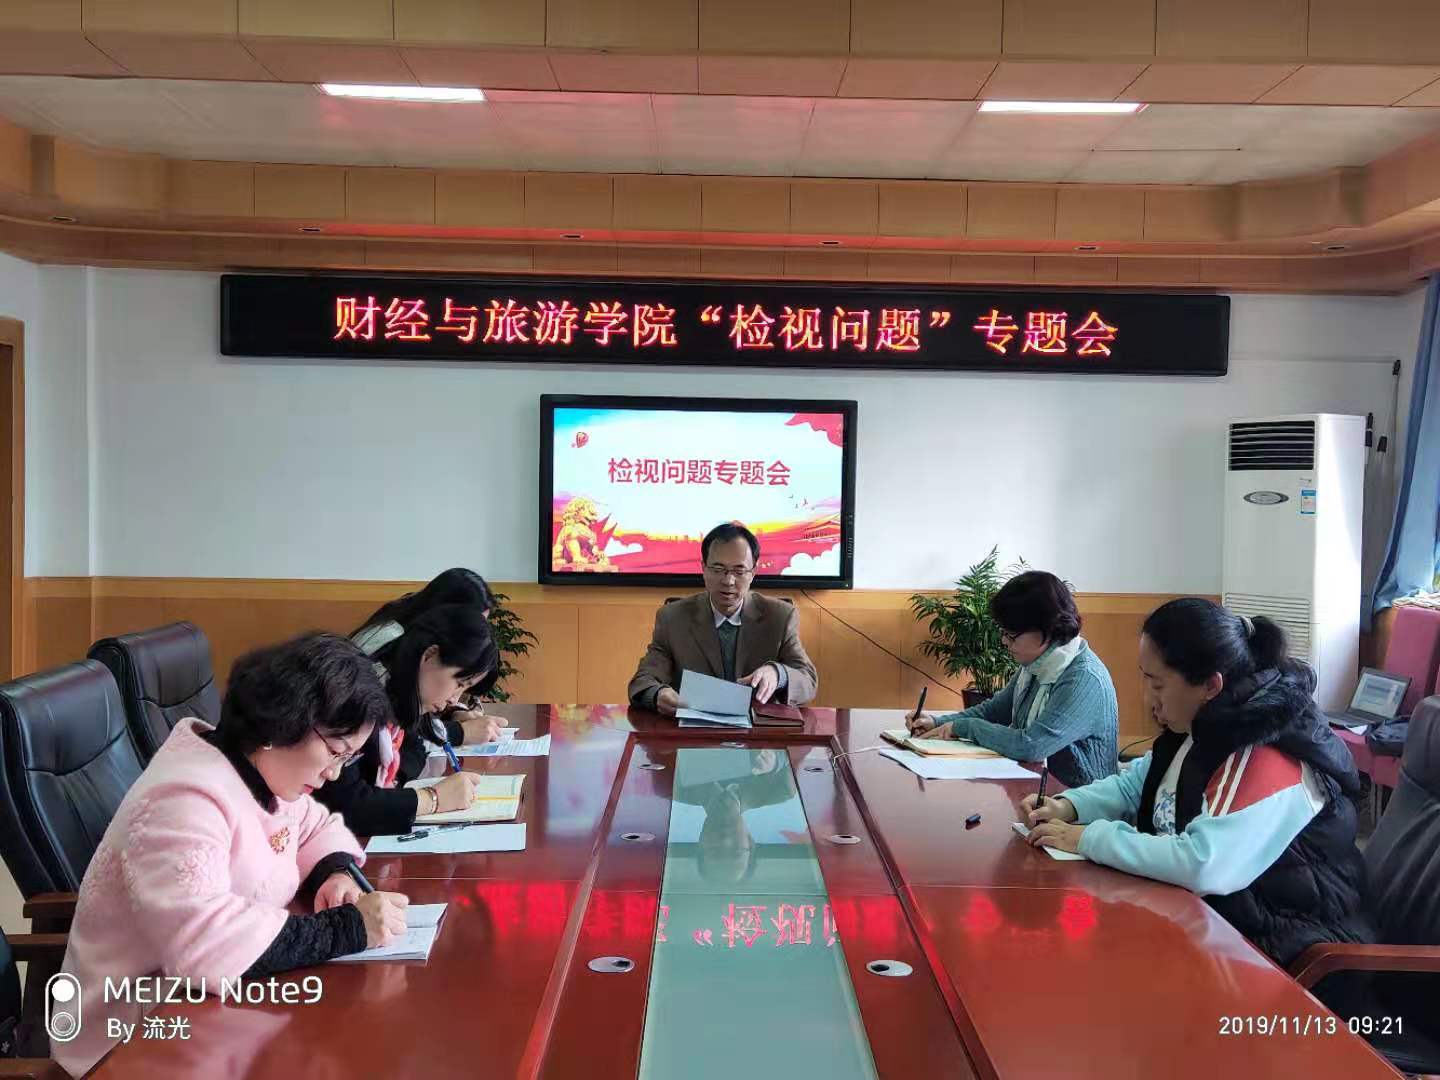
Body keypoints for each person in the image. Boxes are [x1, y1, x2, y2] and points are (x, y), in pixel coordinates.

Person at [55, 633, 411, 1078]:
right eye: (336, 752)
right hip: (133, 1038)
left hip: (218, 1011)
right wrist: (346, 929)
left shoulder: (262, 771)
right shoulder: (185, 798)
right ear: (286, 720)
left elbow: (316, 827)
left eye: (349, 758)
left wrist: (335, 873)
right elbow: (203, 943)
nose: (335, 773)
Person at [1020, 598, 1371, 968]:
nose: (1148, 699)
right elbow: (1134, 785)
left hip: (1285, 953)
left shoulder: (1267, 754)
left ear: (1210, 685)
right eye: (1145, 679)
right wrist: (1069, 806)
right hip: (1212, 925)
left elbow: (1203, 864)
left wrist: (1089, 838)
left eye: (1158, 685)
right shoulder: (1199, 726)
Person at [908, 570, 1118, 786]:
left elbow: (1032, 746)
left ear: (1048, 629)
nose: (1004, 641)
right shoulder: (1038, 662)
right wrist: (937, 723)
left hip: (1081, 800)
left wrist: (965, 727)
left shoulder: (1082, 678)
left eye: (1011, 634)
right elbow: (993, 711)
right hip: (1039, 789)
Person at [315, 604, 500, 836]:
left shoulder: (403, 698)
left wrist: (390, 788)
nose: (455, 699)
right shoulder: (356, 696)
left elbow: (415, 748)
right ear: (429, 656)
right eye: (459, 683)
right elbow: (346, 806)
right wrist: (432, 799)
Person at [628, 521, 818, 715]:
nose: (728, 581)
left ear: (753, 572)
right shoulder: (673, 618)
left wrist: (779, 674)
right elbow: (643, 680)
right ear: (703, 568)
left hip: (757, 729)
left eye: (739, 571)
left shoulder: (780, 617)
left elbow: (808, 681)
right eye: (718, 570)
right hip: (694, 728)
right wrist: (657, 694)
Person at [351, 567, 502, 739]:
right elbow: (392, 727)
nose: (476, 633)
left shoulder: (412, 644)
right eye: (471, 621)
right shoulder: (389, 643)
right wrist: (458, 733)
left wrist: (451, 713)